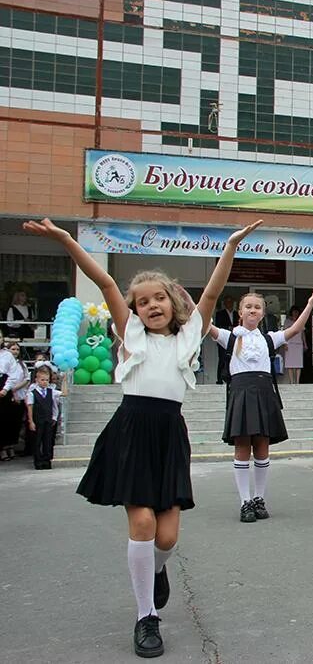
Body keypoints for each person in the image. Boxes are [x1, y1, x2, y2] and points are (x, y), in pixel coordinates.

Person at [24, 216, 260, 658]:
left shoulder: (189, 338)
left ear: (172, 303)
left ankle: (155, 571)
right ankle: (145, 617)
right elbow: (106, 281)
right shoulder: (131, 333)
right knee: (144, 524)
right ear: (133, 311)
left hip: (169, 434)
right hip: (131, 430)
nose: (152, 306)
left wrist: (229, 247)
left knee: (167, 539)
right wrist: (65, 239)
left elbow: (210, 292)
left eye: (159, 299)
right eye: (143, 301)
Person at [213, 287, 313, 523]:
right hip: (241, 393)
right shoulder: (229, 337)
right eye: (248, 306)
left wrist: (311, 303)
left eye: (257, 307)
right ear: (240, 312)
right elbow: (204, 325)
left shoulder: (269, 338)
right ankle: (245, 501)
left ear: (263, 313)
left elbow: (295, 329)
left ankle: (259, 498)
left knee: (262, 447)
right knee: (242, 447)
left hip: (264, 393)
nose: (253, 309)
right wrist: (192, 303)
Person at [26, 364, 60, 470]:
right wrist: (31, 421)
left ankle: (47, 460)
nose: (45, 382)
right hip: (38, 419)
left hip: (48, 420)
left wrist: (63, 381)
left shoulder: (51, 392)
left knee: (47, 440)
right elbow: (30, 407)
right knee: (37, 440)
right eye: (42, 380)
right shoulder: (32, 393)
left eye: (47, 380)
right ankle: (38, 460)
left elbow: (62, 395)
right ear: (37, 380)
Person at [0, 339, 29, 461]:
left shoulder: (22, 364)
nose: (15, 351)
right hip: (8, 392)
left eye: (17, 349)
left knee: (13, 422)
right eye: (13, 349)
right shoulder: (5, 358)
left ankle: (10, 446)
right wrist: (11, 391)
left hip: (16, 395)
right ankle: (2, 449)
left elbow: (26, 378)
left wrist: (14, 390)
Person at [213, 296, 237, 384]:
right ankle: (219, 379)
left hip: (233, 340)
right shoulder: (220, 313)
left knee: (232, 359)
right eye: (227, 302)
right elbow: (218, 325)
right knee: (222, 359)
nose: (229, 304)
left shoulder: (236, 314)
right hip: (223, 339)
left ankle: (231, 378)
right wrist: (228, 327)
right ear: (225, 304)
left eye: (231, 302)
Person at [282, 305, 307, 385]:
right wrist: (285, 343)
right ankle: (292, 381)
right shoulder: (287, 321)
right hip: (289, 344)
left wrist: (305, 344)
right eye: (294, 311)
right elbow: (284, 333)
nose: (295, 313)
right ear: (291, 312)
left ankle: (297, 382)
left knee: (298, 364)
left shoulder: (301, 321)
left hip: (298, 344)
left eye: (297, 312)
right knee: (290, 364)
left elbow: (303, 333)